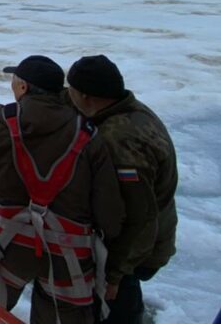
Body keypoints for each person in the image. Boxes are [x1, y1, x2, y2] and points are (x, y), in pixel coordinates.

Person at [0, 55, 124, 324]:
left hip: (8, 248)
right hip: (68, 254)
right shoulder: (88, 134)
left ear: (23, 87)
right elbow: (109, 211)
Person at [66, 55, 178, 324]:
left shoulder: (119, 141)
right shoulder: (128, 111)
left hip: (133, 252)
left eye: (70, 90)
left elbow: (138, 216)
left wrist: (114, 275)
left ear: (85, 96)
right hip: (143, 240)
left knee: (116, 308)